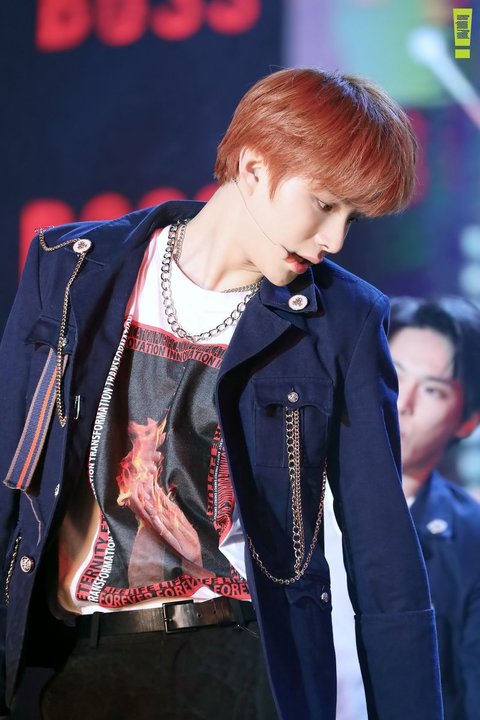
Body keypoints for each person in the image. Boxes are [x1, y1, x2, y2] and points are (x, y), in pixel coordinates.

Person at [0, 68, 442, 720]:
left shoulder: (343, 320)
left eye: (352, 218)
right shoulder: (72, 268)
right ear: (254, 166)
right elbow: (11, 477)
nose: (334, 240)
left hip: (242, 661)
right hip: (78, 662)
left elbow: (385, 557)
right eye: (325, 205)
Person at [388, 295, 480, 720]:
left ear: (467, 421)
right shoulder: (288, 497)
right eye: (393, 373)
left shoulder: (471, 541)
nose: (401, 403)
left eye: (432, 390)